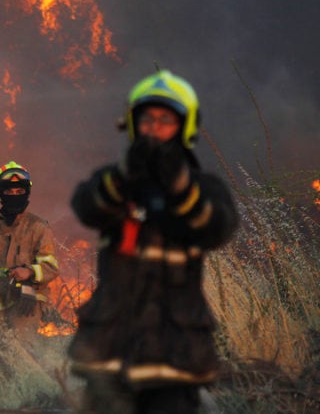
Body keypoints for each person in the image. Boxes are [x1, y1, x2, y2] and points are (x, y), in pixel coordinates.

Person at [67, 70, 239, 413]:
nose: (155, 129)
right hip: (109, 352)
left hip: (174, 357)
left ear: (185, 127)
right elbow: (86, 206)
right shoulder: (113, 182)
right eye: (147, 119)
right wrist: (123, 178)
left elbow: (218, 227)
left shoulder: (204, 188)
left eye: (165, 120)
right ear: (133, 124)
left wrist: (180, 189)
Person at [0, 161, 60, 377]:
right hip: (0, 304)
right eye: (9, 191)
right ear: (0, 193)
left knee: (22, 352)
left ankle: (32, 396)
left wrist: (29, 272)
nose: (14, 194)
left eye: (19, 191)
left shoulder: (38, 227)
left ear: (26, 193)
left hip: (27, 302)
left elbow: (50, 267)